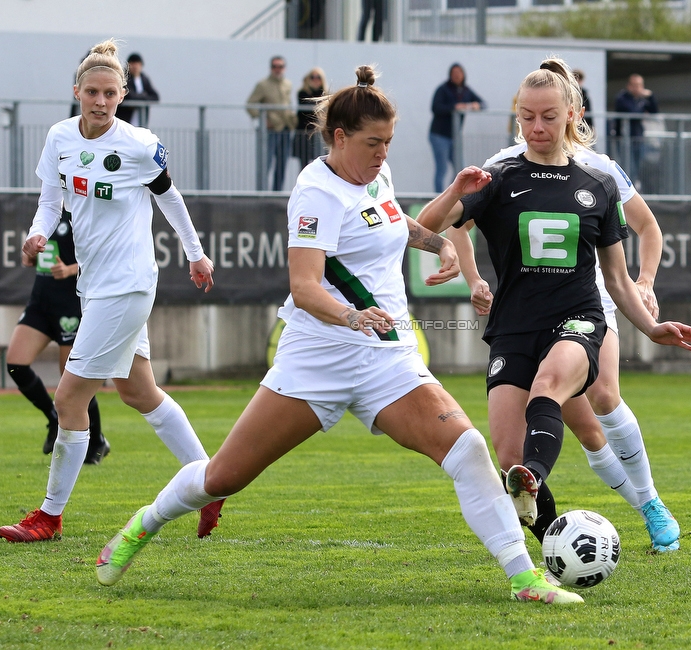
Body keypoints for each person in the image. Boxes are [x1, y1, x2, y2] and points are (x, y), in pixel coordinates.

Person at [95, 64, 582, 606]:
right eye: (374, 143)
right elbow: (304, 287)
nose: (383, 154)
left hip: (386, 359)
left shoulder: (376, 173)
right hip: (318, 357)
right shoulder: (315, 193)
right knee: (224, 477)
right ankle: (145, 523)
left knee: (467, 450)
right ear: (339, 137)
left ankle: (523, 579)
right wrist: (353, 318)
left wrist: (438, 243)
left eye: (389, 143)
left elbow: (394, 223)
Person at [415, 59, 691, 553]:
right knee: (532, 445)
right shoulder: (500, 171)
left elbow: (626, 260)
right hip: (517, 321)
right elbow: (436, 225)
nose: (537, 126)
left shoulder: (600, 175)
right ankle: (552, 535)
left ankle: (651, 504)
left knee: (597, 394)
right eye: (527, 116)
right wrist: (472, 275)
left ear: (573, 113)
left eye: (548, 116)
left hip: (584, 312)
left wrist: (650, 315)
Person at [0, 39, 224, 544]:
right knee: (139, 392)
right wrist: (38, 232)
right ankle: (212, 481)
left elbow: (171, 199)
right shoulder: (59, 138)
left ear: (123, 95)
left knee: (69, 397)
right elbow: (50, 200)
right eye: (92, 92)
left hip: (128, 285)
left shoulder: (139, 144)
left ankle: (49, 517)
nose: (101, 101)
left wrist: (195, 253)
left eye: (110, 93)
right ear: (76, 91)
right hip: (96, 286)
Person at [6, 209, 109, 465]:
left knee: (73, 378)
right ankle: (53, 418)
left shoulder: (85, 211)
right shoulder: (46, 213)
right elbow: (36, 253)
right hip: (40, 303)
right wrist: (29, 257)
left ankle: (96, 440)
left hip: (69, 305)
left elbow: (104, 256)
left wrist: (71, 269)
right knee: (16, 364)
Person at [429, 63, 485, 193]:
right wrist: (455, 107)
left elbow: (483, 103)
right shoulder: (443, 89)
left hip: (455, 136)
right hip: (439, 135)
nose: (457, 76)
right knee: (441, 169)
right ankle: (437, 198)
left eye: (459, 73)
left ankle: (451, 195)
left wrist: (475, 105)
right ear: (450, 75)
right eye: (454, 73)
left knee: (460, 167)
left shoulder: (466, 90)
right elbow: (436, 108)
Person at [247, 56, 298, 191]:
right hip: (271, 130)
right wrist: (263, 119)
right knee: (266, 163)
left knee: (282, 165)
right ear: (271, 68)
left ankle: (277, 192)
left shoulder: (288, 84)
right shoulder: (263, 85)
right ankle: (262, 192)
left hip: (286, 129)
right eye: (275, 66)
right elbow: (250, 105)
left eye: (280, 66)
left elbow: (288, 104)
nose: (277, 69)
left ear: (284, 68)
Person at [612, 74, 658, 188]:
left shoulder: (642, 99)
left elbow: (654, 111)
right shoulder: (622, 98)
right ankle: (625, 191)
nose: (638, 88)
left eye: (640, 85)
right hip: (624, 139)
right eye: (635, 85)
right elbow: (633, 111)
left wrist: (650, 96)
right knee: (627, 167)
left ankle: (632, 189)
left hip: (638, 138)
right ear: (629, 86)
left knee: (637, 167)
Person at [293, 67, 327, 170]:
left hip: (319, 134)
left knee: (321, 163)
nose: (316, 80)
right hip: (304, 133)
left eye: (318, 77)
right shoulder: (302, 93)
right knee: (304, 165)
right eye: (313, 77)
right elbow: (308, 106)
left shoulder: (325, 94)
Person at [114, 53, 159, 128]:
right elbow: (128, 95)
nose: (135, 66)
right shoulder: (124, 77)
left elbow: (155, 96)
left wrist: (140, 98)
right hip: (125, 118)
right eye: (132, 63)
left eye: (137, 64)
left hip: (141, 120)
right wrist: (144, 96)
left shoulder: (144, 79)